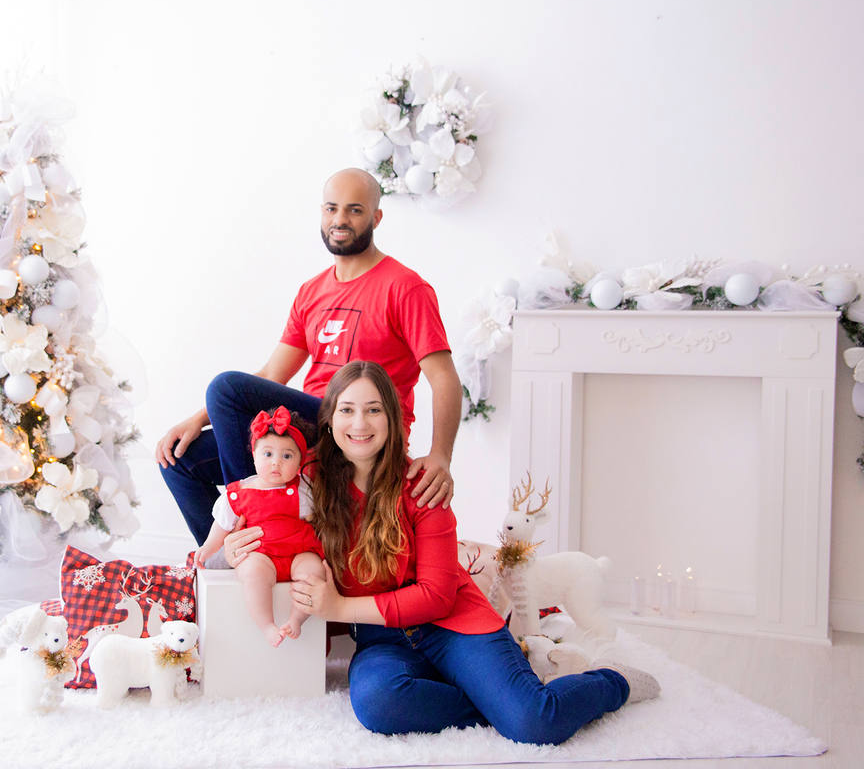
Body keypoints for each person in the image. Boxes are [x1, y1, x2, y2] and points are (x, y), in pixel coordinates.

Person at [248, 360, 660, 743]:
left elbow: (436, 595)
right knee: (379, 704)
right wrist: (231, 540)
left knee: (535, 721)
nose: (359, 423)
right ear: (329, 419)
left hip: (454, 626)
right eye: (347, 410)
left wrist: (338, 608)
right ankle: (499, 700)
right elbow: (257, 505)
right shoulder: (308, 483)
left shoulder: (424, 484)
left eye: (374, 410)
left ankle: (611, 681)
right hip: (383, 640)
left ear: (393, 419)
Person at [156, 168, 463, 549]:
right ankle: (231, 562)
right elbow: (272, 374)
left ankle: (249, 517)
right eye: (332, 209)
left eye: (354, 210)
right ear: (321, 213)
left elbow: (444, 377)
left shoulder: (405, 287)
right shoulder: (312, 291)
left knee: (225, 386)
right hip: (311, 425)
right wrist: (195, 419)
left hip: (360, 425)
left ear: (376, 218)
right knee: (179, 459)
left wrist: (440, 456)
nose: (340, 220)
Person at [193, 406, 325, 647]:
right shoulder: (238, 493)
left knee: (314, 572)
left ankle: (296, 619)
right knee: (253, 574)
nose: (276, 463)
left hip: (299, 552)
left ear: (299, 463)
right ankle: (267, 624)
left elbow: (319, 521)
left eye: (287, 456)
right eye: (268, 454)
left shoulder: (304, 491)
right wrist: (209, 547)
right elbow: (222, 526)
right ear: (253, 455)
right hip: (261, 554)